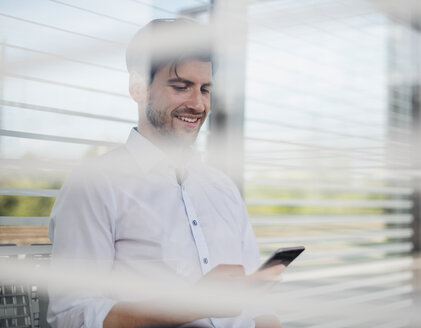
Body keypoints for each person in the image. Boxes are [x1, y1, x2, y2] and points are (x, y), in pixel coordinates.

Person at [47, 19, 284, 328]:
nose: (198, 104)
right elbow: (72, 315)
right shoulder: (95, 185)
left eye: (206, 89)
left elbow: (256, 305)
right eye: (181, 87)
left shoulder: (222, 188)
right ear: (138, 87)